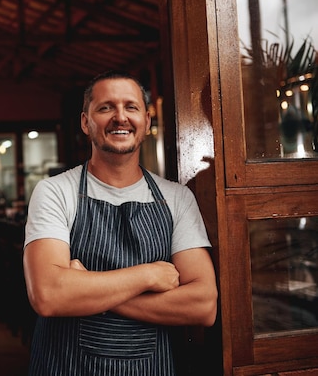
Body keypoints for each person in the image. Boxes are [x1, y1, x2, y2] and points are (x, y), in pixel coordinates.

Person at [23, 71, 218, 375]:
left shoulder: (176, 198)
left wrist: (86, 287)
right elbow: (48, 296)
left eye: (131, 107)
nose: (120, 117)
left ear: (146, 120)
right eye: (105, 108)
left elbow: (203, 305)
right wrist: (149, 275)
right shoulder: (54, 192)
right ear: (86, 122)